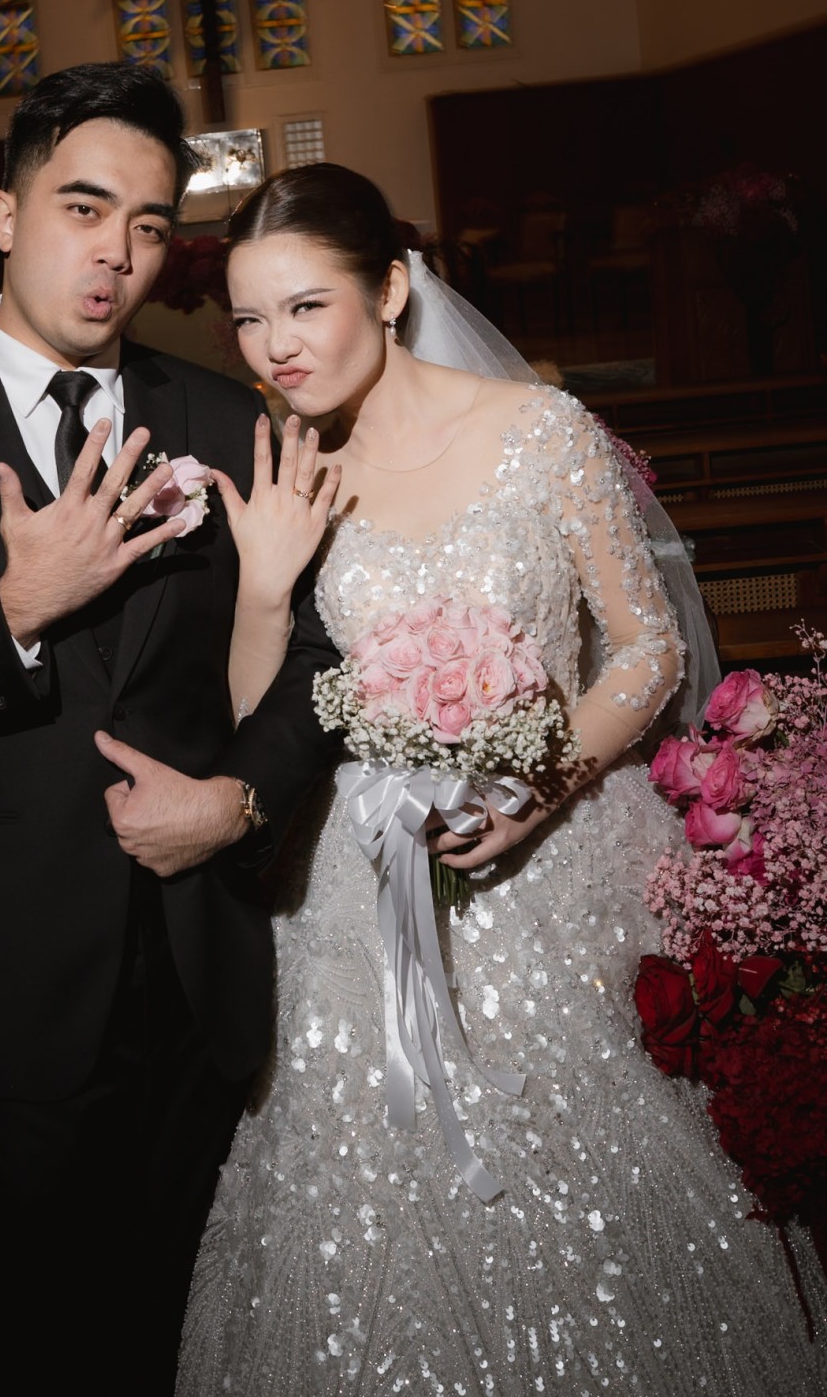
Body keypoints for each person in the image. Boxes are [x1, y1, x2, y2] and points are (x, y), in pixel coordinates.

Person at [177, 164, 827, 1395]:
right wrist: (262, 582)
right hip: (360, 884)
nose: (275, 346)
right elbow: (261, 720)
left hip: (554, 860)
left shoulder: (539, 430)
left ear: (387, 287)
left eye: (305, 306)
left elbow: (647, 647)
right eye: (249, 317)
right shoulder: (293, 467)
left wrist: (539, 785)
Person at [0, 64, 338, 1396]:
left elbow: (319, 656)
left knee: (209, 1343)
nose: (116, 254)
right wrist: (11, 613)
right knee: (46, 1344)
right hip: (16, 980)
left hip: (202, 963)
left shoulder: (219, 414)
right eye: (83, 208)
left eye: (149, 225)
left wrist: (237, 800)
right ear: (3, 212)